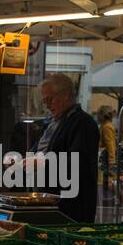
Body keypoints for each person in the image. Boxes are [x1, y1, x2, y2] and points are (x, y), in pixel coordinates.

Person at [31, 72, 100, 222]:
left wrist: (42, 162)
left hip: (70, 208)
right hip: (47, 202)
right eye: (44, 101)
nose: (47, 105)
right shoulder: (51, 124)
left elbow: (77, 162)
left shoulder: (84, 123)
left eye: (50, 99)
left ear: (66, 96)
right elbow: (36, 152)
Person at [98, 107, 117, 191]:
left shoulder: (107, 127)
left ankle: (121, 198)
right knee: (107, 183)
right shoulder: (106, 126)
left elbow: (110, 145)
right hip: (106, 158)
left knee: (109, 182)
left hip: (107, 158)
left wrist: (112, 162)